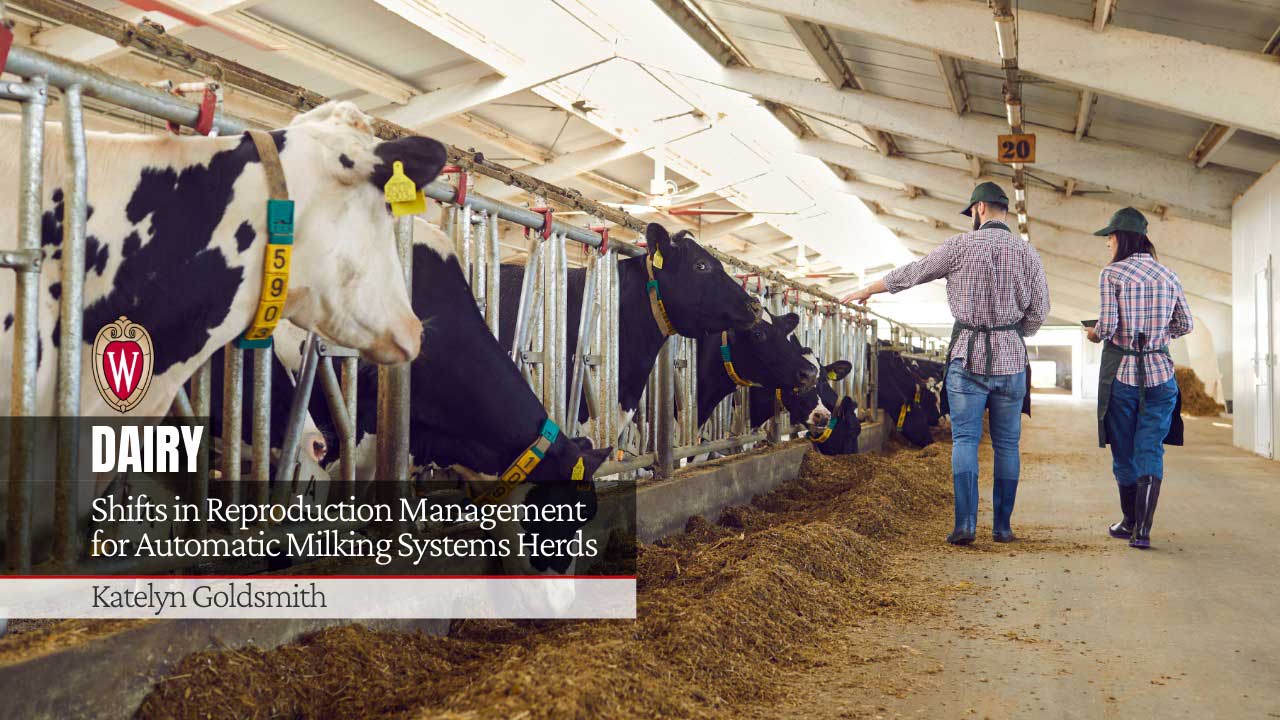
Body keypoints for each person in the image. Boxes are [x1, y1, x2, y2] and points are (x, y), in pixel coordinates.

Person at [844, 182, 1050, 545]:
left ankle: (966, 525)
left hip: (967, 358)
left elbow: (912, 273)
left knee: (966, 440)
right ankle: (1002, 528)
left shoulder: (959, 246)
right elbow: (1039, 311)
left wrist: (866, 290)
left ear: (980, 209)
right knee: (1006, 446)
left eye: (971, 211)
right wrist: (1015, 332)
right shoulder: (1027, 253)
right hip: (1011, 360)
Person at [1086, 207, 1192, 549]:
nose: (1108, 244)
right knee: (1150, 447)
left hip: (1124, 375)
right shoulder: (1170, 275)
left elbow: (1109, 327)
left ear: (1122, 238)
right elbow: (1185, 324)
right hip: (1161, 375)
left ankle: (1130, 520)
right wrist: (1159, 335)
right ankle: (1142, 532)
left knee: (1124, 449)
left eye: (1110, 237)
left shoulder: (1112, 275)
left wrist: (1094, 334)